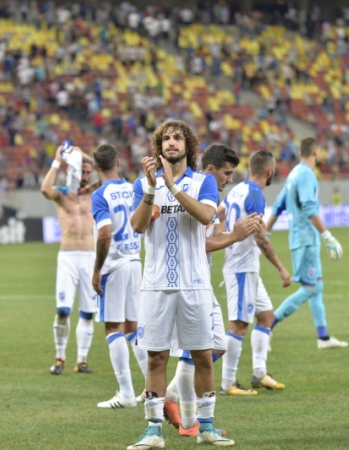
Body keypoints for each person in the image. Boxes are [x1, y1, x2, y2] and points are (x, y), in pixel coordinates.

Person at [128, 120, 233, 449]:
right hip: (157, 285)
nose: (171, 143)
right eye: (165, 139)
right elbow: (137, 226)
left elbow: (205, 216)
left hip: (195, 284)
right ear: (158, 148)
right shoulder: (143, 183)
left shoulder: (204, 182)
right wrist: (150, 189)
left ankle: (206, 427)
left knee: (202, 356)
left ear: (188, 144)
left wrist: (172, 187)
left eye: (177, 138)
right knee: (156, 359)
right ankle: (153, 430)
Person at [163, 144, 262, 435]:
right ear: (210, 170)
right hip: (190, 284)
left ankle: (170, 398)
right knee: (197, 352)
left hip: (201, 282)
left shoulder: (209, 195)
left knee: (216, 344)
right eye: (227, 173)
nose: (229, 179)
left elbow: (207, 236)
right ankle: (190, 423)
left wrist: (221, 228)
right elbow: (198, 244)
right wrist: (234, 235)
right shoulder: (195, 191)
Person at [220, 151, 292, 397]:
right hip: (242, 267)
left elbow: (221, 214)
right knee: (239, 325)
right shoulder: (254, 196)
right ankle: (227, 382)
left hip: (245, 265)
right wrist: (281, 267)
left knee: (266, 317)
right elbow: (260, 237)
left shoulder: (237, 190)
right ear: (270, 170)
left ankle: (259, 373)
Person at [266, 138, 348, 349]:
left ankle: (323, 338)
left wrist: (266, 230)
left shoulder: (294, 173)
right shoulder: (306, 175)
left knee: (317, 288)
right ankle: (267, 326)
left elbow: (278, 205)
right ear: (316, 151)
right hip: (305, 239)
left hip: (302, 238)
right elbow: (310, 209)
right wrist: (328, 236)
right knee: (309, 289)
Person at [90, 144, 148, 408]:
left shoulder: (100, 194)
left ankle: (126, 394)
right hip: (136, 260)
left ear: (94, 167)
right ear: (118, 162)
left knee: (113, 327)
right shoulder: (134, 186)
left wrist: (97, 269)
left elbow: (104, 234)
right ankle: (151, 388)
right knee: (133, 327)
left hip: (113, 266)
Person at [40, 145, 99, 375]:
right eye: (81, 172)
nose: (85, 177)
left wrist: (83, 155)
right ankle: (59, 357)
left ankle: (81, 360)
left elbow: (109, 170)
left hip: (90, 256)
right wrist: (58, 160)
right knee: (63, 310)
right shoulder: (62, 193)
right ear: (73, 172)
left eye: (88, 173)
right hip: (67, 257)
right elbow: (45, 189)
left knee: (87, 312)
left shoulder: (94, 192)